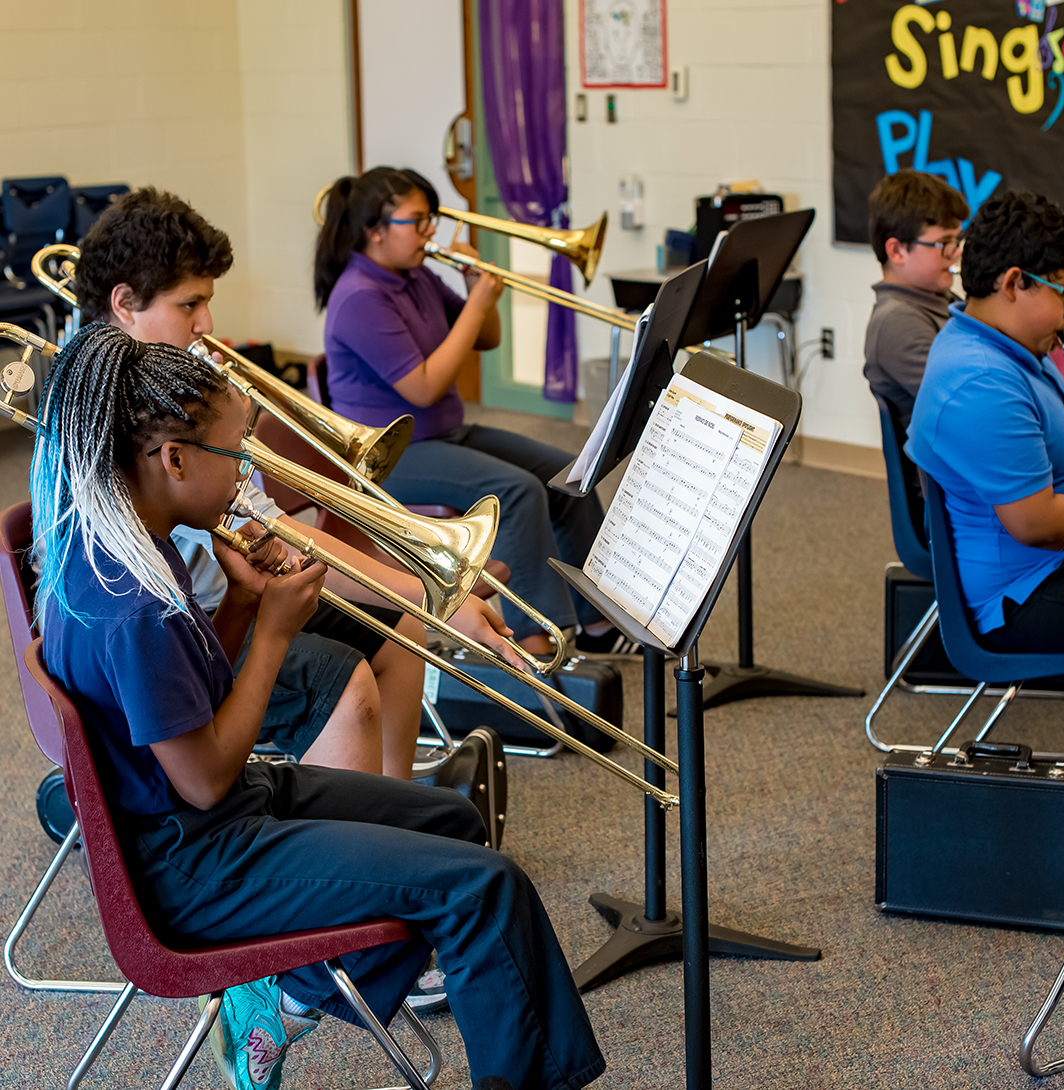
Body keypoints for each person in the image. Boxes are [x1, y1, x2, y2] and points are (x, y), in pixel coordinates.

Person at [32, 323, 606, 1090]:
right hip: (197, 861)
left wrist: (241, 605)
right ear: (170, 459)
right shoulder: (129, 603)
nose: (247, 478)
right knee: (483, 886)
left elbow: (189, 698)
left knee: (454, 823)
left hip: (210, 816)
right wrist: (273, 635)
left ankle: (288, 1001)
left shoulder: (128, 538)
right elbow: (201, 777)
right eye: (237, 457)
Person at [75, 187, 519, 785]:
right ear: (124, 303)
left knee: (403, 630)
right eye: (189, 306)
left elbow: (270, 536)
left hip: (232, 597)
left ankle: (401, 802)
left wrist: (428, 598)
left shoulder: (165, 389)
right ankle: (366, 851)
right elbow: (277, 541)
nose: (207, 325)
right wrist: (433, 595)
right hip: (184, 630)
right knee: (347, 683)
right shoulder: (107, 411)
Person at [315, 167, 638, 658]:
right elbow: (423, 388)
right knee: (519, 491)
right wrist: (476, 303)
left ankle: (598, 624)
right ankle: (533, 643)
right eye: (418, 221)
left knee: (567, 474)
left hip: (445, 433)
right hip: (389, 457)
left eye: (431, 220)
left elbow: (486, 339)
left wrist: (473, 289)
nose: (430, 233)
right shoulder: (360, 297)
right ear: (374, 230)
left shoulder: (415, 275)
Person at [906, 190, 1064, 655]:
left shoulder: (1014, 344)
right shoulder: (981, 381)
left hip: (1061, 557)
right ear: (1013, 283)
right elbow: (1038, 523)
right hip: (1026, 589)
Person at [863, 170, 969, 430]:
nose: (955, 254)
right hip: (947, 466)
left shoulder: (935, 298)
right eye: (944, 242)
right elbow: (971, 403)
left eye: (957, 240)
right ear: (897, 251)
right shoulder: (898, 321)